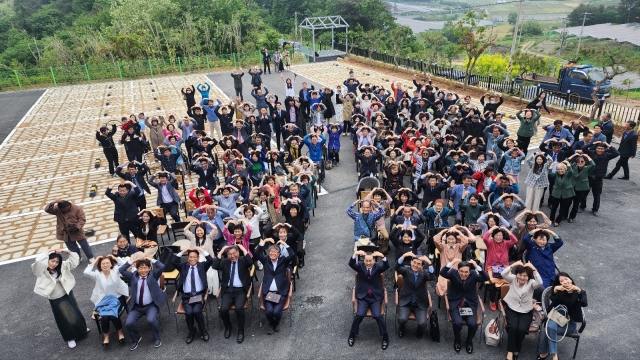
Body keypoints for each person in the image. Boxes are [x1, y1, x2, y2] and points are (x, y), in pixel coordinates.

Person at [32, 248, 88, 349]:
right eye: (52, 261)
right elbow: (38, 261)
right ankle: (70, 337)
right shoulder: (41, 270)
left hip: (68, 292)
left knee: (76, 312)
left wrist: (65, 251)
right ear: (47, 260)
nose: (54, 264)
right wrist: (48, 251)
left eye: (57, 262)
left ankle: (82, 329)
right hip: (56, 297)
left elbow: (74, 260)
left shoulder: (62, 266)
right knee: (64, 318)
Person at [440, 259, 488, 354]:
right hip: (456, 304)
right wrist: (452, 262)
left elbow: (486, 278)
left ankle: (469, 342)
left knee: (473, 324)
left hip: (469, 304)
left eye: (466, 272)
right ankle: (457, 340)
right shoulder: (453, 273)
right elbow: (442, 272)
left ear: (470, 271)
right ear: (458, 270)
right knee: (457, 323)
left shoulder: (474, 274)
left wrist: (476, 266)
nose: (463, 274)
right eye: (461, 271)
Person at [537, 272, 588, 360]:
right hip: (556, 317)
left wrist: (578, 291)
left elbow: (584, 303)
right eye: (561, 281)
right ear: (559, 283)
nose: (565, 282)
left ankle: (544, 352)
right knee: (551, 327)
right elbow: (552, 303)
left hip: (569, 323)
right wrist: (555, 290)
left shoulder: (579, 291)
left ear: (571, 279)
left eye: (566, 279)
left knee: (549, 329)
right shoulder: (559, 292)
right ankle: (555, 356)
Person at [119, 257, 166, 350]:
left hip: (151, 305)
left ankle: (157, 337)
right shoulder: (133, 276)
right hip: (137, 307)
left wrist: (151, 259)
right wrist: (131, 261)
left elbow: (162, 266)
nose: (143, 270)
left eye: (145, 268)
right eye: (141, 268)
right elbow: (121, 269)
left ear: (149, 268)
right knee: (128, 323)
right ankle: (136, 338)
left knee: (151, 320)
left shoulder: (153, 274)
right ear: (137, 268)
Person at [500, 261, 543, 360]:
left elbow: (540, 282)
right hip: (512, 308)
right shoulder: (513, 279)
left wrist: (533, 268)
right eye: (520, 275)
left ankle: (516, 349)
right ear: (517, 274)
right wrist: (513, 265)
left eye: (525, 276)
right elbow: (503, 273)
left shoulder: (532, 283)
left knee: (522, 329)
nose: (522, 278)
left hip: (526, 310)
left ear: (528, 277)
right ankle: (511, 351)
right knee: (513, 327)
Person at [348, 250, 390, 350]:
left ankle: (385, 336)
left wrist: (382, 256)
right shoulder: (360, 266)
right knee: (359, 314)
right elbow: (351, 264)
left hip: (375, 297)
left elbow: (386, 266)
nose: (368, 263)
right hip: (363, 296)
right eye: (366, 261)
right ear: (364, 261)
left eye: (370, 261)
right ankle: (352, 333)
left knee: (377, 316)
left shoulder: (377, 267)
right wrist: (355, 254)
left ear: (374, 260)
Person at [212, 244, 253, 343]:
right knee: (223, 310)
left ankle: (241, 331)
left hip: (240, 291)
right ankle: (228, 327)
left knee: (239, 308)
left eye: (234, 253)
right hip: (228, 291)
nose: (232, 256)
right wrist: (221, 251)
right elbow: (214, 265)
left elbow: (250, 261)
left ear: (238, 253)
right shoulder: (225, 262)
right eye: (230, 254)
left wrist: (243, 248)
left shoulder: (243, 261)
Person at [84, 255, 129, 346]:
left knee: (113, 314)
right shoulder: (97, 274)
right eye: (103, 263)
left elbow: (127, 264)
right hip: (104, 300)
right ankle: (106, 336)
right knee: (104, 317)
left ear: (111, 264)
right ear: (99, 265)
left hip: (118, 298)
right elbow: (86, 272)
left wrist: (114, 257)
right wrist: (96, 259)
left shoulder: (116, 270)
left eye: (107, 263)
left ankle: (120, 332)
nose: (105, 265)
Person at [171, 247, 214, 343]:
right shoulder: (184, 266)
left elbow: (211, 260)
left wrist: (201, 249)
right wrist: (183, 251)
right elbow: (173, 262)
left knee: (196, 311)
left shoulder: (202, 266)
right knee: (189, 312)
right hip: (187, 295)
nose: (192, 259)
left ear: (198, 258)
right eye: (190, 257)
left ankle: (203, 331)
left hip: (199, 294)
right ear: (187, 258)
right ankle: (191, 331)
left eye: (195, 257)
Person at [254, 238, 296, 334]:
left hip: (280, 292)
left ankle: (277, 322)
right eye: (271, 252)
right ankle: (271, 323)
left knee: (276, 312)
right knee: (269, 311)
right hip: (268, 292)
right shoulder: (266, 261)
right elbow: (256, 253)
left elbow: (292, 254)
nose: (272, 254)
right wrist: (264, 241)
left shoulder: (283, 261)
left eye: (275, 252)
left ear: (279, 254)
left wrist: (284, 243)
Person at [395, 252, 433, 338]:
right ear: (411, 263)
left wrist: (430, 263)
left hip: (419, 303)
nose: (416, 265)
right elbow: (396, 267)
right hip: (406, 301)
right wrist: (403, 256)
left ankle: (420, 330)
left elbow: (432, 277)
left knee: (423, 323)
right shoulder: (406, 270)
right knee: (401, 319)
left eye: (418, 264)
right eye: (414, 263)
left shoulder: (424, 273)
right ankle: (401, 328)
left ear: (422, 266)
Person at [483, 226, 518, 310]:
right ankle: (492, 301)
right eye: (496, 235)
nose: (498, 237)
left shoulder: (506, 243)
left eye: (500, 235)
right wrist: (492, 229)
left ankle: (500, 300)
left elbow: (515, 240)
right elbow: (484, 238)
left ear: (503, 236)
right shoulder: (490, 243)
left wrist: (506, 229)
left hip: (504, 268)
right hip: (491, 268)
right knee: (493, 282)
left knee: (507, 282)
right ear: (493, 236)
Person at [522, 229, 563, 300]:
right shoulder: (531, 246)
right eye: (539, 239)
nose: (541, 242)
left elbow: (560, 242)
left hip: (551, 274)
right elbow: (526, 238)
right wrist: (537, 229)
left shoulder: (549, 247)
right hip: (538, 275)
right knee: (542, 289)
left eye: (544, 240)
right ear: (534, 239)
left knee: (561, 289)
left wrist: (550, 231)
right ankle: (541, 303)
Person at [580, 141, 619, 216]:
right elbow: (583, 148)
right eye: (598, 148)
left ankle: (595, 209)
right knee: (584, 193)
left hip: (598, 178)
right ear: (595, 148)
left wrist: (609, 145)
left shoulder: (607, 155)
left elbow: (617, 153)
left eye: (602, 149)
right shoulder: (591, 153)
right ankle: (582, 206)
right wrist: (593, 143)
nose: (600, 150)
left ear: (605, 149)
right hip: (589, 177)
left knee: (597, 195)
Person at [567, 154, 594, 222]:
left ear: (585, 162)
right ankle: (564, 215)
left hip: (581, 188)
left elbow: (593, 164)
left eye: (582, 161)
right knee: (567, 203)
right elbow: (565, 162)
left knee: (576, 204)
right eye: (578, 161)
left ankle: (571, 217)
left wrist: (587, 156)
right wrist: (574, 155)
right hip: (571, 187)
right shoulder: (573, 166)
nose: (580, 163)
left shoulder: (587, 168)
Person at [548, 161, 574, 227]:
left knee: (563, 208)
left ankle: (557, 221)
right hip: (556, 193)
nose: (560, 171)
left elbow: (571, 171)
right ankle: (551, 219)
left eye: (562, 169)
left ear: (565, 169)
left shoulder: (568, 174)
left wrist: (568, 164)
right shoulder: (556, 174)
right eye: (558, 169)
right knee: (554, 207)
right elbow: (550, 174)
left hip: (566, 194)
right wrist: (552, 165)